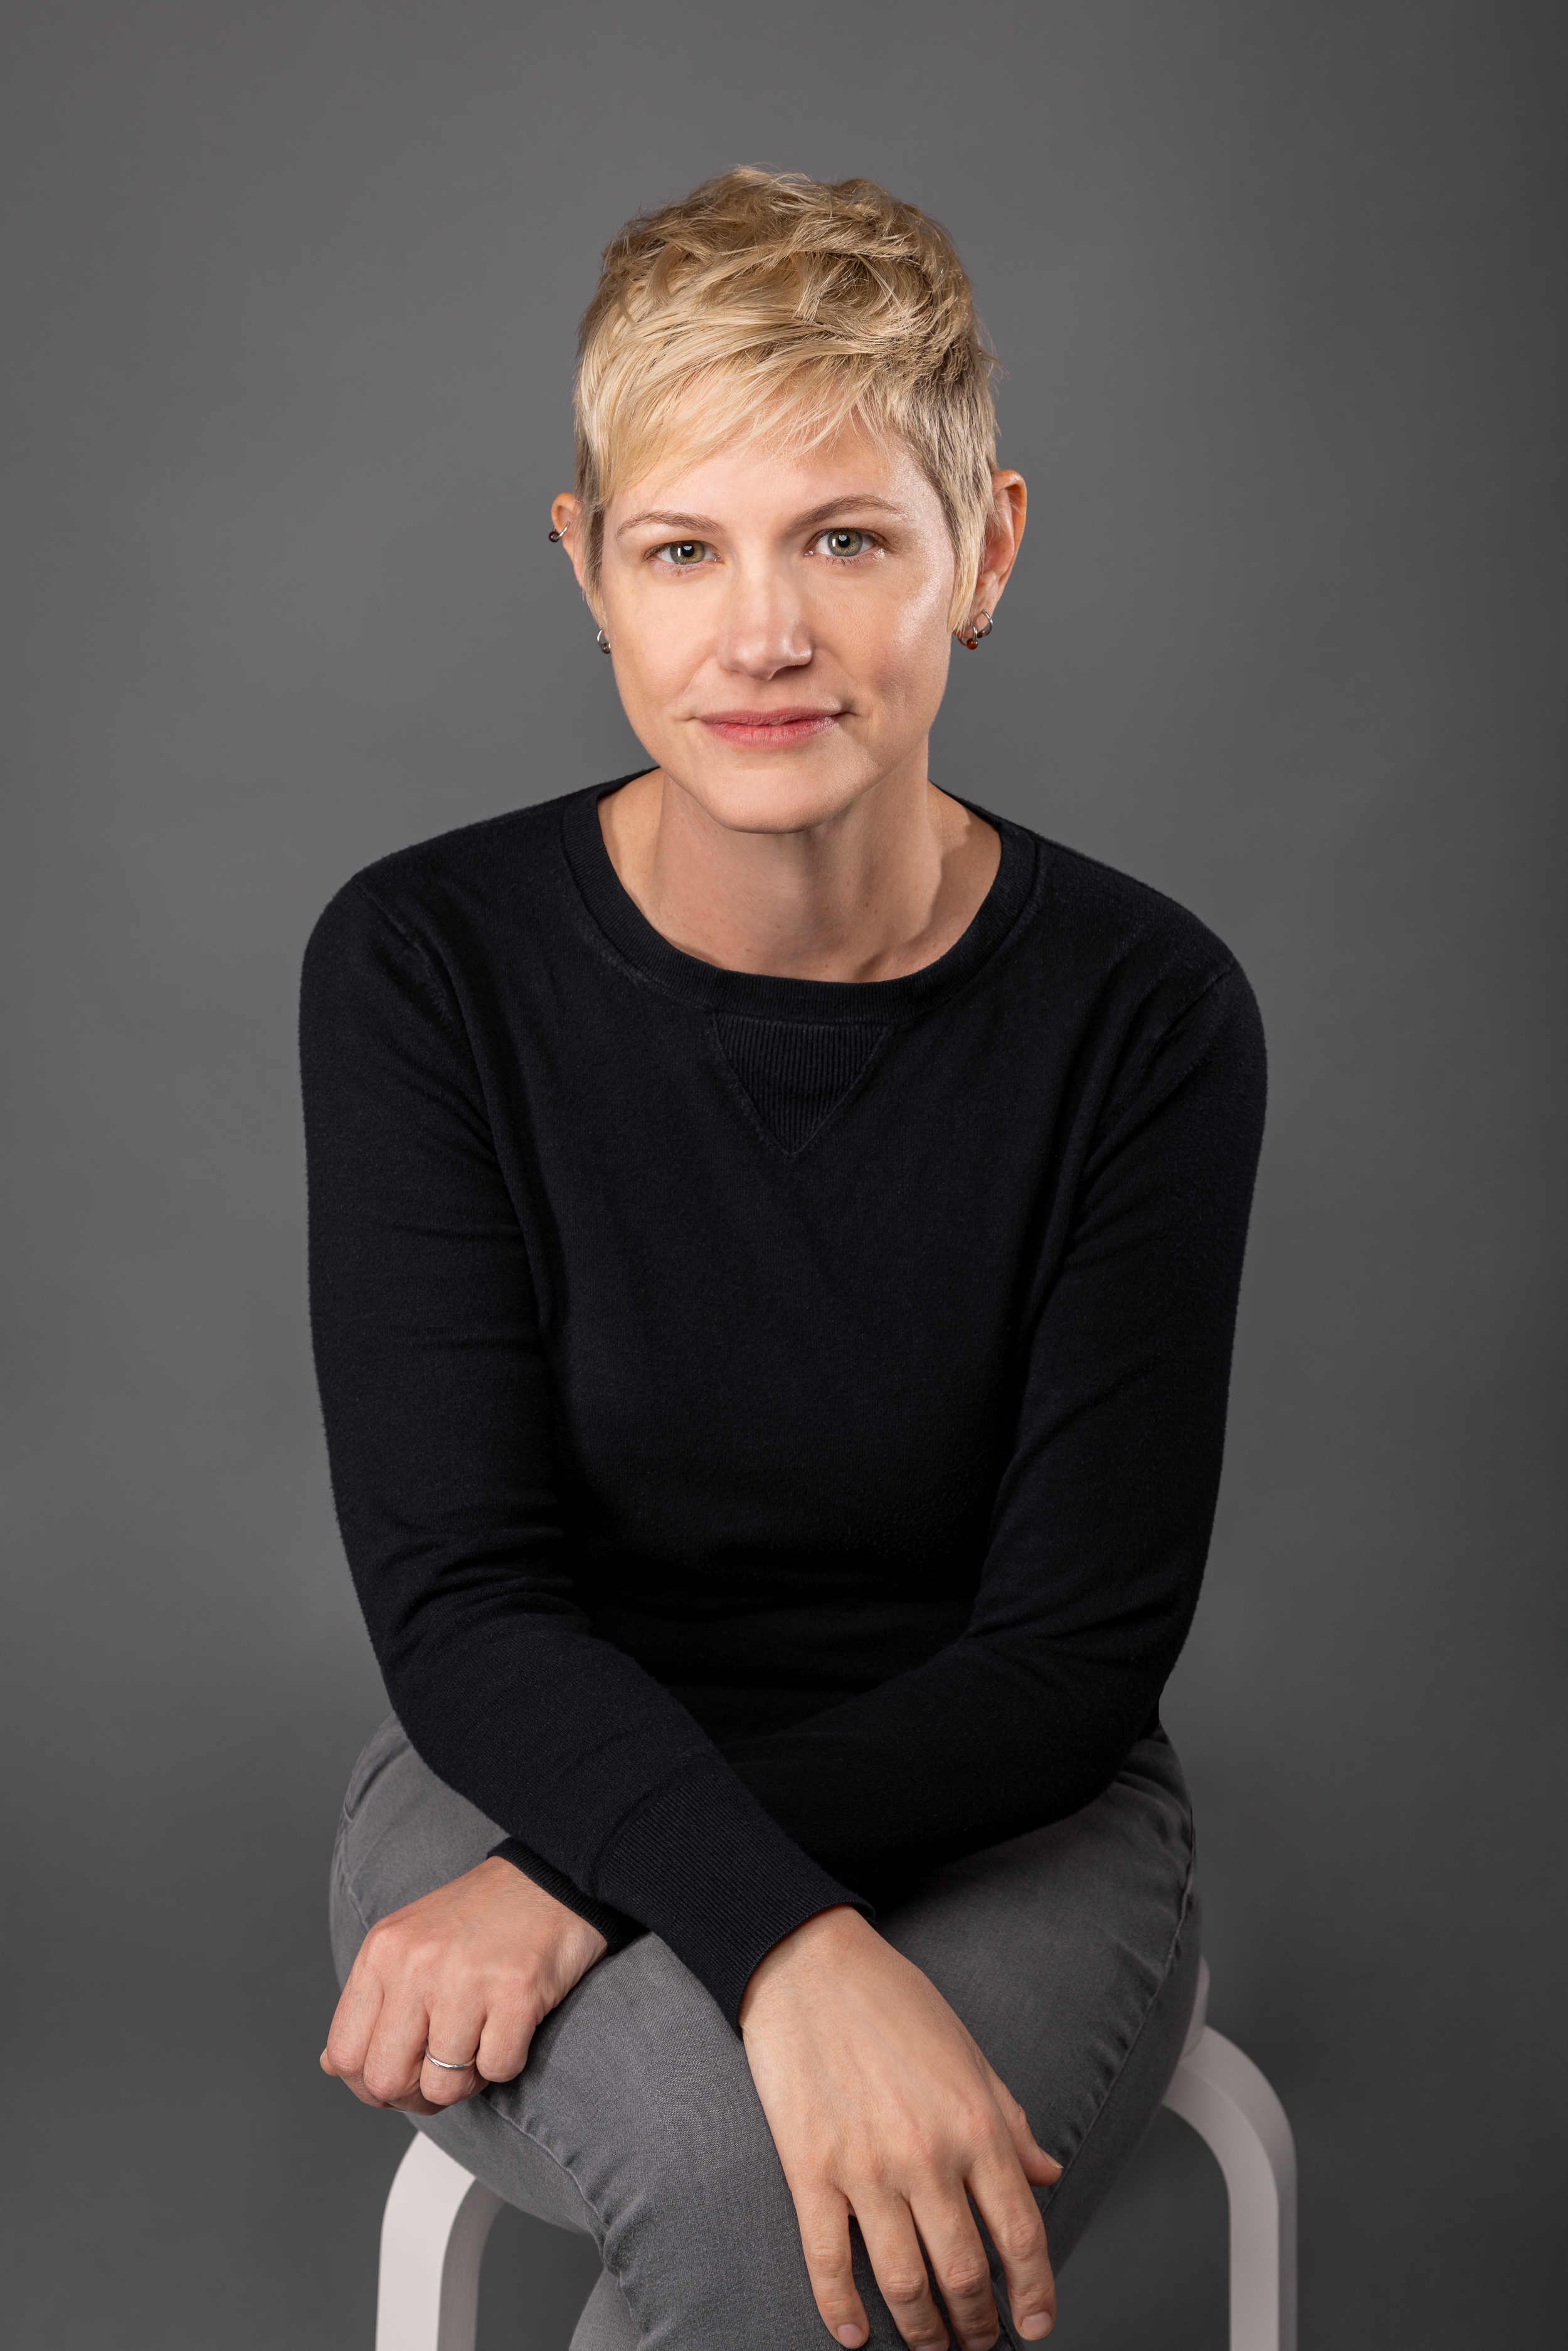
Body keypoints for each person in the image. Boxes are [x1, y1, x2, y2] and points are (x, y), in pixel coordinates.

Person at [302, 168, 1266, 2351]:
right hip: (517, 1750)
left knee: (818, 2238)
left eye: (843, 539)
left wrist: (604, 1894)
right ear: (587, 571)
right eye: (682, 550)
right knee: (760, 2191)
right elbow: (465, 1600)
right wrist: (786, 1932)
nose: (761, 635)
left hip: (1004, 1797)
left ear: (982, 551)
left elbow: (1066, 1652)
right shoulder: (426, 963)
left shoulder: (1141, 1009)